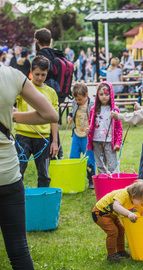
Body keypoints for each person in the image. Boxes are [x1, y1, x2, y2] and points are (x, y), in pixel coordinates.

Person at [1, 63, 58, 270]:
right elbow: (51, 114)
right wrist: (12, 117)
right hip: (7, 174)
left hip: (10, 171)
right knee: (18, 250)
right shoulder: (11, 75)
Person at [14, 55, 59, 187]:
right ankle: (16, 199)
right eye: (37, 74)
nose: (39, 78)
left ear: (47, 73)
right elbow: (10, 101)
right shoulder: (23, 88)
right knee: (18, 171)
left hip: (43, 138)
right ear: (31, 72)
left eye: (43, 75)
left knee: (44, 174)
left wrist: (54, 141)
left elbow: (54, 119)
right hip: (22, 136)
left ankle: (43, 201)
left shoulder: (51, 93)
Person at [92, 179, 143, 262]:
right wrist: (129, 214)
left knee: (121, 230)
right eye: (142, 203)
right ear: (134, 195)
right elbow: (116, 206)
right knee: (113, 231)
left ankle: (121, 251)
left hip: (112, 215)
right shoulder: (123, 194)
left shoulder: (136, 200)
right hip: (100, 213)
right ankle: (111, 255)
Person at [34, 28, 64, 159]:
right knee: (53, 122)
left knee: (47, 124)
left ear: (37, 41)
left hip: (45, 94)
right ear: (50, 40)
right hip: (58, 93)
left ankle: (52, 153)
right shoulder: (57, 54)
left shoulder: (41, 55)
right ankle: (58, 153)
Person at [86, 82, 123, 174]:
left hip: (110, 142)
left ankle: (114, 183)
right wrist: (88, 130)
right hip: (96, 141)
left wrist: (118, 142)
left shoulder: (114, 110)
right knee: (100, 165)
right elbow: (91, 124)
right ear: (97, 95)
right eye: (101, 94)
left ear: (111, 95)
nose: (104, 97)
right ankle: (103, 184)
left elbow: (119, 128)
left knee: (112, 165)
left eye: (106, 94)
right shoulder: (93, 110)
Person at [67, 82, 96, 188]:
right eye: (76, 99)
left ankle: (92, 181)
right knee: (73, 157)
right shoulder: (75, 102)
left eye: (80, 99)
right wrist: (70, 115)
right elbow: (73, 110)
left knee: (89, 159)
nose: (77, 101)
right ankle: (74, 179)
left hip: (87, 136)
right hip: (76, 133)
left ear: (86, 95)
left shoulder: (92, 105)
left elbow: (95, 118)